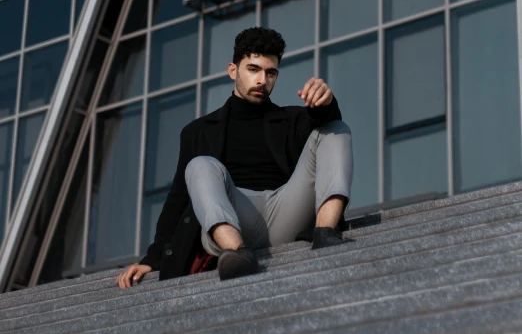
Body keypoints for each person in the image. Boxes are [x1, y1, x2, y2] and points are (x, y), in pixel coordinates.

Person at [117, 26, 353, 287]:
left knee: (335, 129)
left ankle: (326, 233)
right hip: (234, 220)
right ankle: (237, 254)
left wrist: (326, 102)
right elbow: (178, 199)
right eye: (253, 69)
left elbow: (327, 121)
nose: (262, 80)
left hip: (286, 210)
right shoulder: (198, 131)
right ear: (233, 70)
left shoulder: (293, 118)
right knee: (200, 165)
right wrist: (153, 258)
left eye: (270, 72)